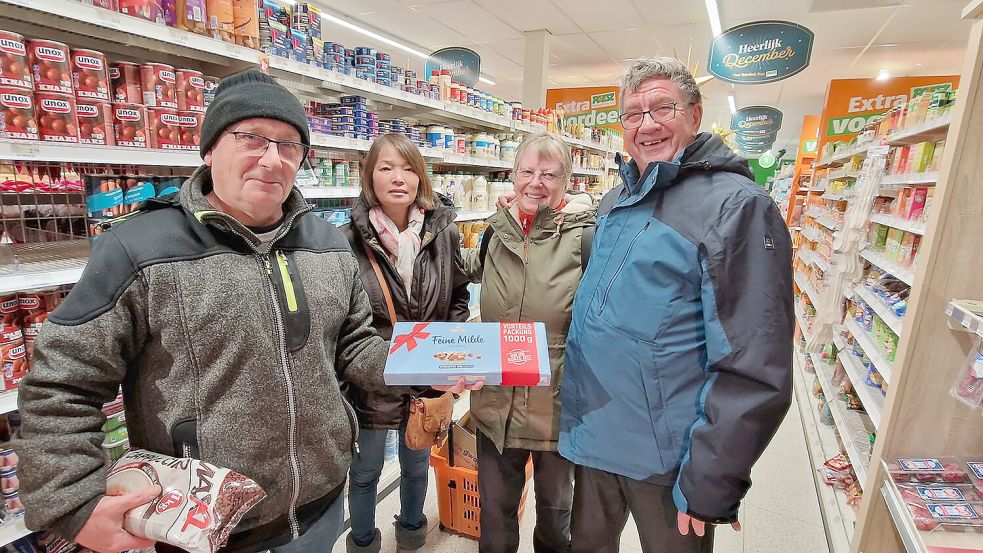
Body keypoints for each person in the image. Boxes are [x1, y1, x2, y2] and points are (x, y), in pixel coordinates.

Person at [13, 70, 469, 553]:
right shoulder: (139, 249)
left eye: (290, 145)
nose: (272, 159)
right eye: (251, 137)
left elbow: (354, 344)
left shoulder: (326, 244)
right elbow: (62, 383)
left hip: (320, 508)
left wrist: (429, 364)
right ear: (210, 149)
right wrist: (73, 502)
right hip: (203, 525)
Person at [557, 57, 795, 552]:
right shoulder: (616, 200)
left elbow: (754, 362)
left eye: (662, 107)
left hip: (670, 459)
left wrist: (712, 479)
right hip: (595, 435)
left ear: (695, 114)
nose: (646, 124)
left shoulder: (736, 207)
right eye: (632, 113)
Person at [463, 132, 595, 553]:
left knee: (556, 516)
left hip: (555, 405)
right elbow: (465, 273)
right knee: (494, 517)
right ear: (513, 175)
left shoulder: (585, 237)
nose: (536, 182)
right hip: (495, 403)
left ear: (567, 180)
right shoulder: (494, 233)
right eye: (527, 172)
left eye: (549, 174)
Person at [340, 133, 470, 553]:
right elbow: (342, 323)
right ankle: (362, 542)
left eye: (408, 167)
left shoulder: (443, 234)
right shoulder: (347, 242)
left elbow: (457, 298)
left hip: (427, 377)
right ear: (369, 177)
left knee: (416, 465)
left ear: (421, 177)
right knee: (365, 472)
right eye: (386, 168)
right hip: (372, 380)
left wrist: (455, 355)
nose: (399, 177)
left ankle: (411, 534)